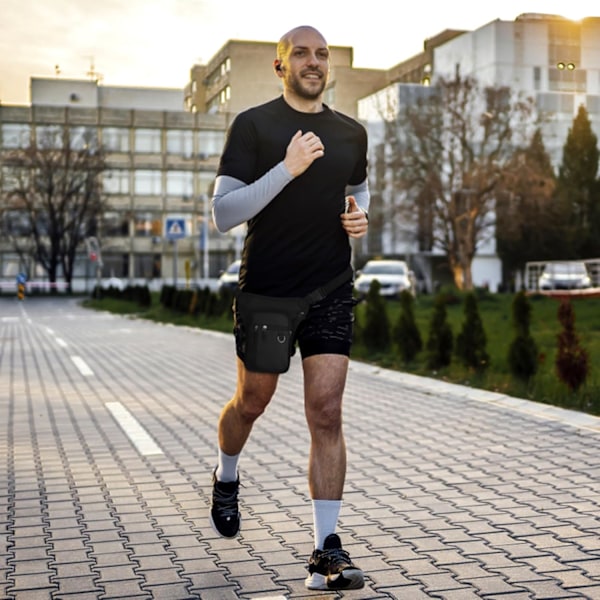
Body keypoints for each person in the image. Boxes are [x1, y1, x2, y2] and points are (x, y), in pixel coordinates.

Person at [210, 25, 369, 591]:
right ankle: (227, 473)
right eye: (300, 53)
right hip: (268, 292)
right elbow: (225, 214)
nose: (313, 61)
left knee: (326, 413)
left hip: (329, 288)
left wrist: (358, 217)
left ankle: (327, 551)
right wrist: (287, 168)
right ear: (280, 66)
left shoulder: (352, 133)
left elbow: (357, 191)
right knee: (251, 403)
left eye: (322, 54)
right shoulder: (253, 126)